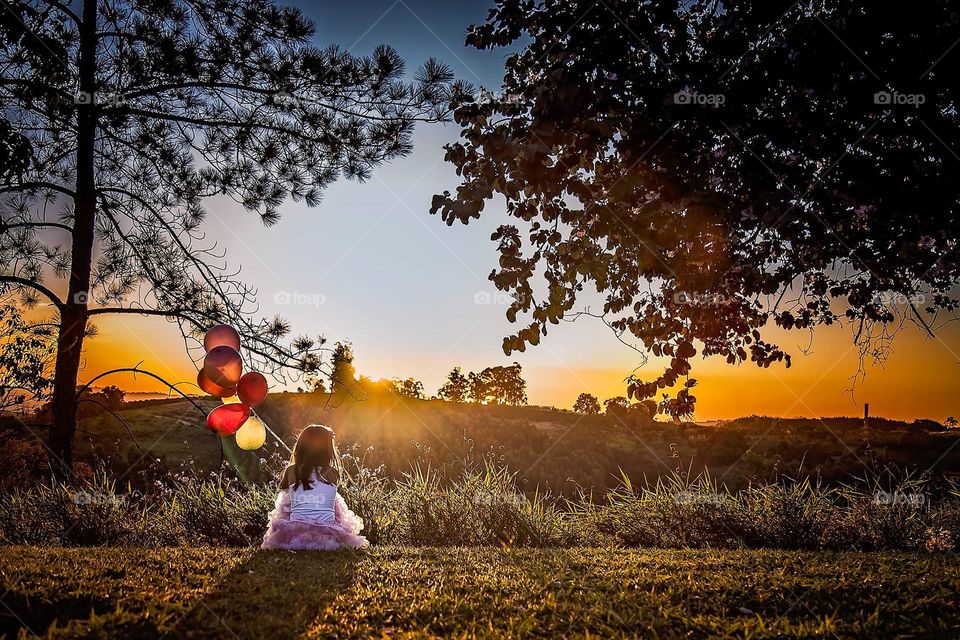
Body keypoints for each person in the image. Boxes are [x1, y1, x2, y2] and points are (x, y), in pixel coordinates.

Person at [261, 424, 368, 550]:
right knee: (334, 500)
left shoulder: (291, 471)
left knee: (288, 498)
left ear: (300, 448)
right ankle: (326, 521)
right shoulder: (333, 473)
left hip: (295, 534)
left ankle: (300, 517)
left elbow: (283, 488)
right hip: (328, 536)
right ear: (328, 450)